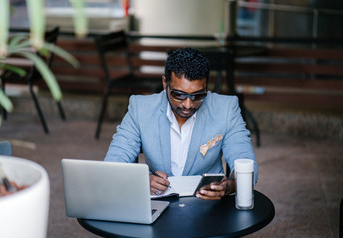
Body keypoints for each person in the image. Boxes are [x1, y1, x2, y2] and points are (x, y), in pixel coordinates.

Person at [104, 47, 257, 200]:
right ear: (165, 83)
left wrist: (229, 186)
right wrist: (140, 181)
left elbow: (247, 164)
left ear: (206, 87)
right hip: (158, 201)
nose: (188, 105)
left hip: (208, 205)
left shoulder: (226, 109)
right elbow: (112, 164)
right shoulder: (140, 109)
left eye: (198, 95)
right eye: (179, 95)